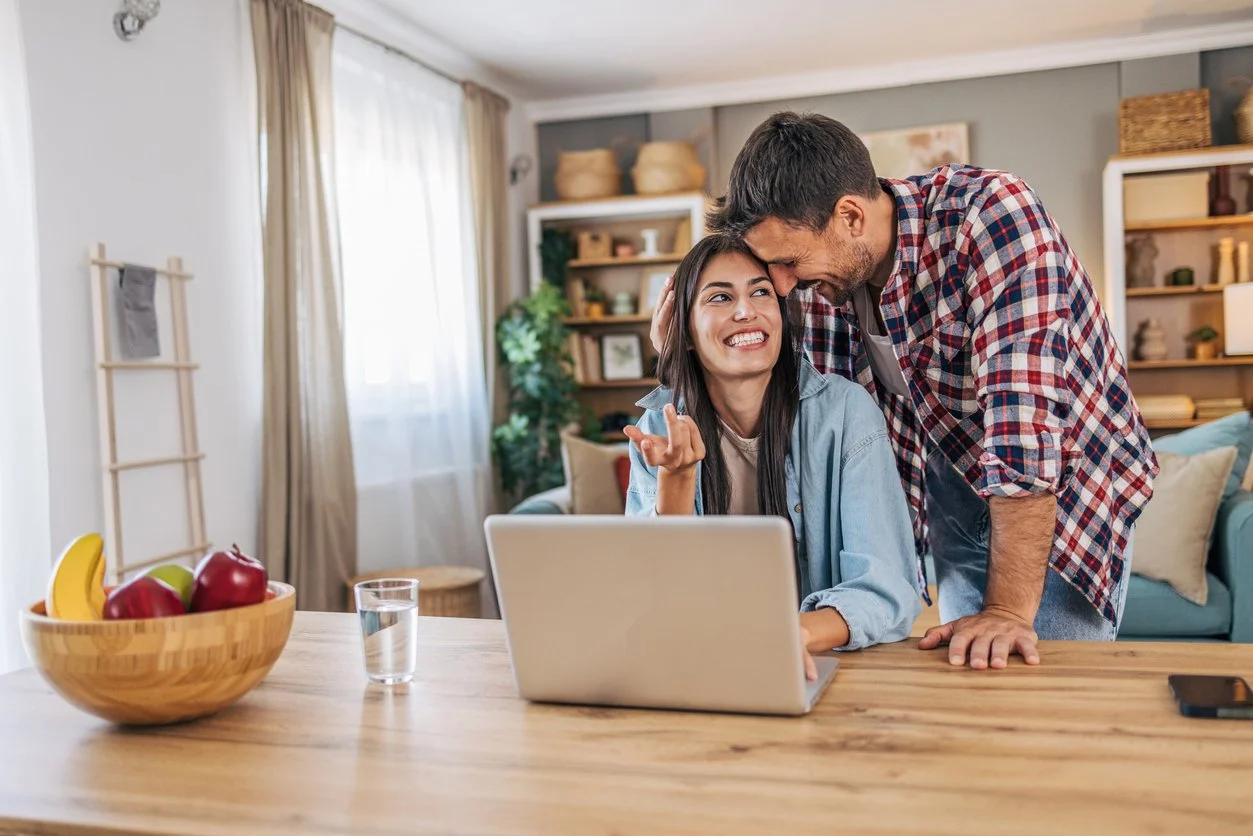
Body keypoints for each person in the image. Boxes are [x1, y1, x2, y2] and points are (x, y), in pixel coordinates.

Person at [650, 112, 1157, 671]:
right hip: (948, 485)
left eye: (789, 263)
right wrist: (680, 350)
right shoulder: (821, 278)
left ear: (849, 216)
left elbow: (1025, 433)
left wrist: (1009, 612)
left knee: (1044, 688)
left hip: (1061, 487)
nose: (784, 285)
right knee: (976, 684)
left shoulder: (990, 217)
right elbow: (756, 376)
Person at [624, 233, 922, 679]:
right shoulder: (657, 430)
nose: (746, 311)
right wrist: (678, 479)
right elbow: (652, 600)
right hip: (696, 666)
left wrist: (787, 635)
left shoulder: (845, 414)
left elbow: (887, 591)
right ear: (683, 333)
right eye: (720, 297)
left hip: (814, 668)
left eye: (760, 292)